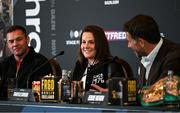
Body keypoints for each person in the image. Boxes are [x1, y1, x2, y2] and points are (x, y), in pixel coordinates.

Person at [0, 25, 61, 99]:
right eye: (11, 41)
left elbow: (43, 96)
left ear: (27, 40)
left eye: (19, 39)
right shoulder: (5, 64)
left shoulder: (41, 63)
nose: (15, 44)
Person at [123, 14, 180, 89]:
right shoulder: (144, 54)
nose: (128, 46)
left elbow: (160, 92)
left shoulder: (174, 57)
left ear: (141, 42)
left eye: (129, 42)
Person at [71, 25, 133, 92]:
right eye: (83, 42)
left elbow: (122, 93)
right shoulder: (79, 65)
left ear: (100, 44)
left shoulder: (112, 65)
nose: (86, 46)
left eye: (91, 42)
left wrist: (106, 94)